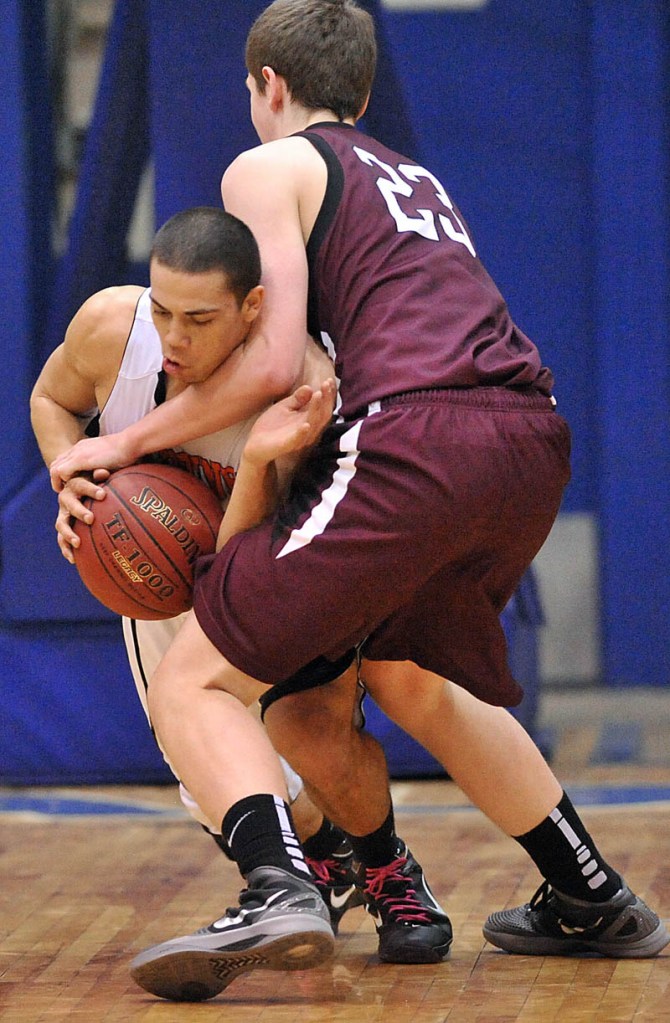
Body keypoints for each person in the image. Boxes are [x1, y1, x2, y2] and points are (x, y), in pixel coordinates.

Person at [49, 0, 668, 1004]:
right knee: (414, 679)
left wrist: (119, 442)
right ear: (364, 94)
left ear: (264, 84)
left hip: (415, 437)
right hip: (526, 436)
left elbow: (266, 361)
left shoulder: (268, 166)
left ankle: (280, 884)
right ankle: (587, 893)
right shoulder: (411, 175)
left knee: (194, 682)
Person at [30, 205, 364, 933]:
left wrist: (251, 463)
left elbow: (248, 547)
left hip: (265, 570)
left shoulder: (297, 385)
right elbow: (51, 398)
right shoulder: (111, 329)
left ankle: (373, 863)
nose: (174, 338)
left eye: (200, 319)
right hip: (162, 584)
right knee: (202, 776)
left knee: (313, 739)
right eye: (163, 310)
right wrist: (71, 474)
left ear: (252, 309)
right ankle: (328, 861)